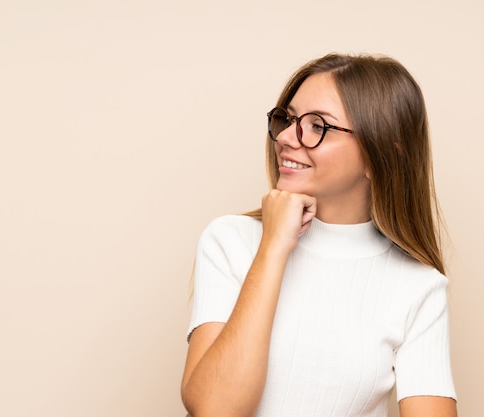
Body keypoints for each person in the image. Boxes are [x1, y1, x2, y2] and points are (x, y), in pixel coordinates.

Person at [181, 53, 457, 417]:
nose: (284, 138)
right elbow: (214, 409)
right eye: (289, 119)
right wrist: (273, 247)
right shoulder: (230, 241)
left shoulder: (419, 287)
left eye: (317, 126)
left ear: (380, 156)